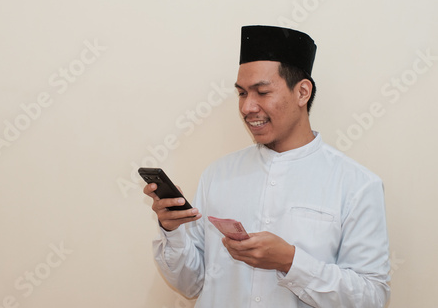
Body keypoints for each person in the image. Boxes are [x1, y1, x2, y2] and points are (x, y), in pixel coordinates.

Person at [143, 25, 391, 307]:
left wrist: (290, 261)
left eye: (262, 92)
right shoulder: (219, 174)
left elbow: (372, 297)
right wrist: (172, 230)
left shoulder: (356, 185)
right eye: (241, 93)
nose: (248, 107)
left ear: (302, 92)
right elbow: (192, 284)